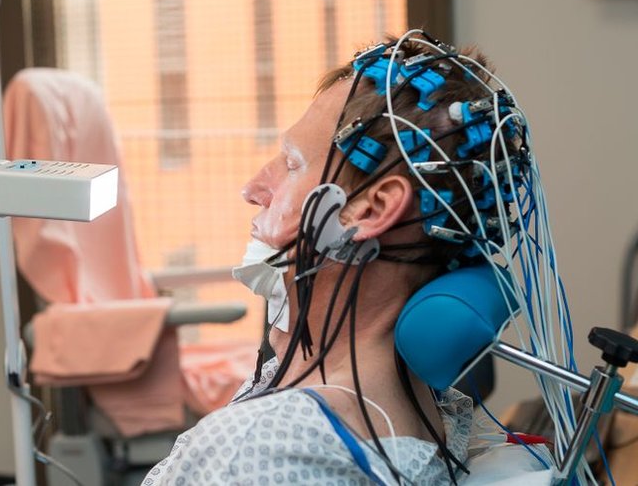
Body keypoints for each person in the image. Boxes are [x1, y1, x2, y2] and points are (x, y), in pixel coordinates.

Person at [143, 31, 536, 485]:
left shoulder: (257, 449)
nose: (253, 189)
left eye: (292, 164)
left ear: (371, 210)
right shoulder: (429, 406)